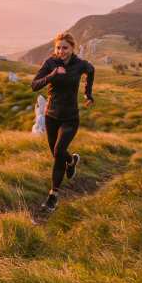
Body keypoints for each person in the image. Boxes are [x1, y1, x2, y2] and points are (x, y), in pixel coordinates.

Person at [31, 32, 95, 211]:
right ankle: (72, 160)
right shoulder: (50, 63)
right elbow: (34, 85)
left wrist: (87, 93)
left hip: (70, 118)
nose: (61, 51)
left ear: (72, 48)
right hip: (51, 116)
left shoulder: (79, 64)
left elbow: (91, 70)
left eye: (65, 48)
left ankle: (53, 195)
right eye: (58, 47)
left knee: (59, 151)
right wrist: (52, 74)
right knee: (57, 153)